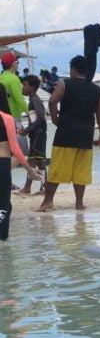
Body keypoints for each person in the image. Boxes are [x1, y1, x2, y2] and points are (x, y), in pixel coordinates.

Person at [36, 55, 100, 212]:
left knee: (57, 169)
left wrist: (55, 119)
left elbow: (52, 101)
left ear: (73, 69)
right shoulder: (96, 90)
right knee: (81, 171)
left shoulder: (64, 84)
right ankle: (79, 203)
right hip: (86, 133)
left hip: (66, 131)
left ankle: (48, 201)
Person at [0, 89, 41, 241]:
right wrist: (29, 169)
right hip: (2, 164)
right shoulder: (6, 118)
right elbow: (16, 149)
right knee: (4, 205)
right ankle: (2, 243)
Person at [15, 75, 47, 195]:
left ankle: (27, 188)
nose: (22, 88)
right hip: (38, 134)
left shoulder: (34, 100)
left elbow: (39, 117)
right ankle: (45, 187)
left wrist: (28, 130)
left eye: (25, 85)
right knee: (39, 162)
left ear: (32, 87)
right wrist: (29, 130)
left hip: (38, 135)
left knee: (32, 161)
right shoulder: (33, 100)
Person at [0, 51, 27, 119]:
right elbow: (19, 98)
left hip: (2, 115)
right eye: (17, 62)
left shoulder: (1, 78)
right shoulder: (14, 79)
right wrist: (29, 111)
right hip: (14, 115)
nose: (18, 64)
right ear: (13, 64)